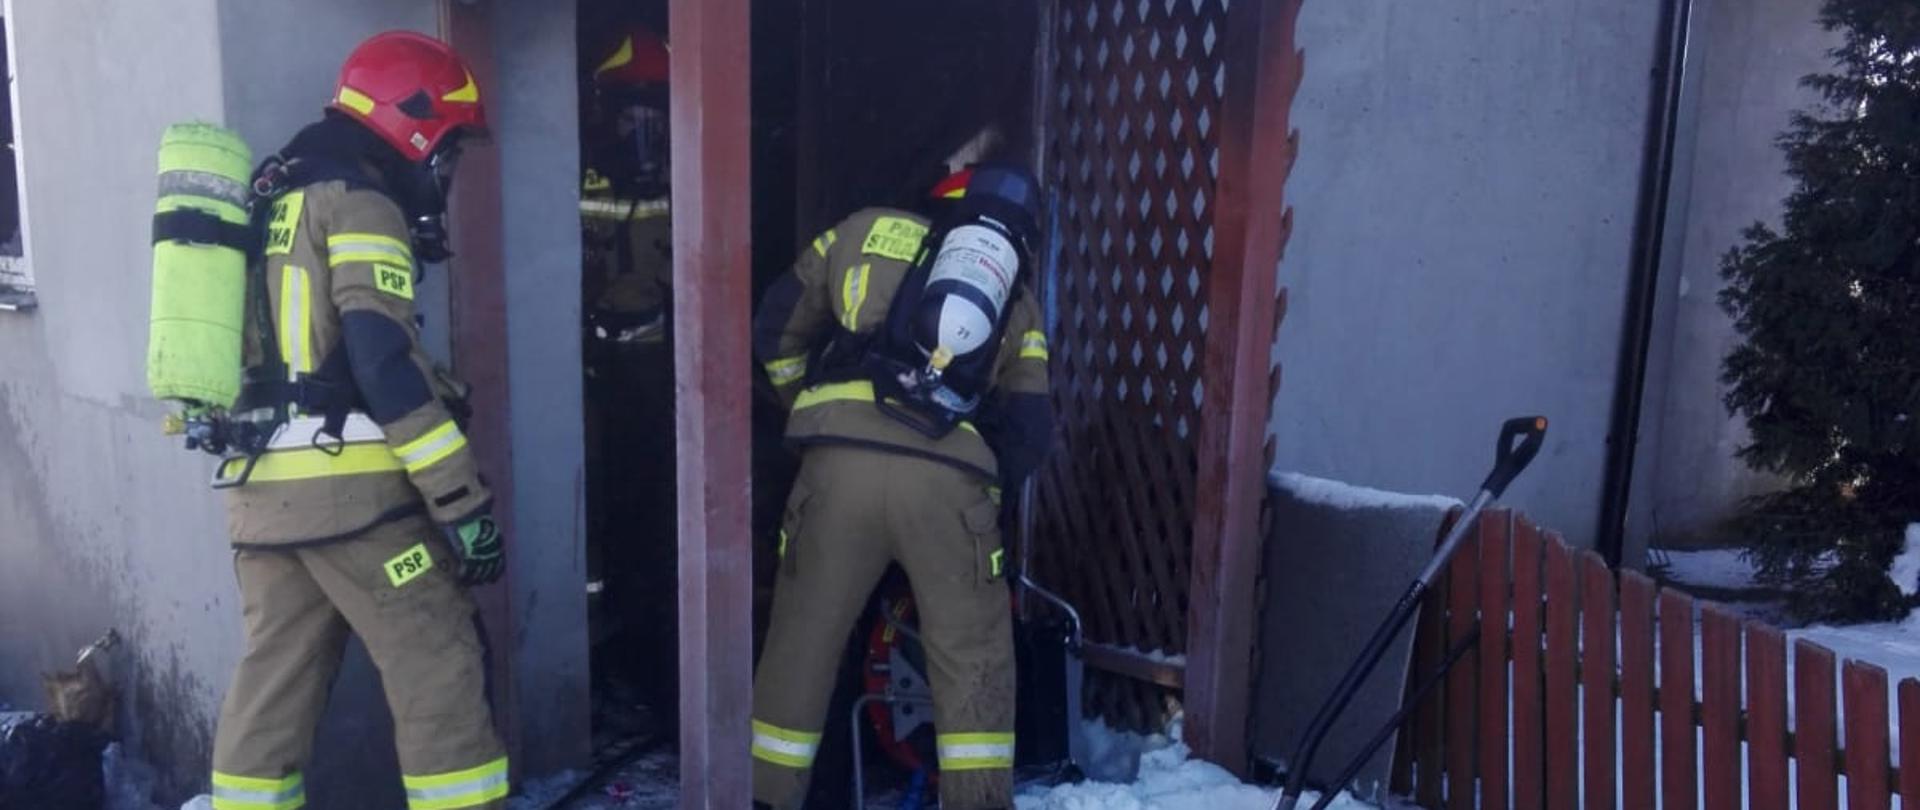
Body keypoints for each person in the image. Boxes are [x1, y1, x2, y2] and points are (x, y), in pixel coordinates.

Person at [207, 31, 509, 810]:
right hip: (356, 502)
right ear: (411, 124)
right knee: (438, 667)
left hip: (260, 498)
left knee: (270, 694)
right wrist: (463, 502)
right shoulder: (362, 201)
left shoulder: (272, 194)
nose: (444, 171)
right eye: (444, 149)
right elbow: (382, 363)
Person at [749, 163, 1054, 810]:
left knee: (799, 646)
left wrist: (807, 408)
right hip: (950, 484)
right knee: (972, 657)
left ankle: (766, 798)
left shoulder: (861, 231)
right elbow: (1030, 429)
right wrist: (979, 500)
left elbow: (776, 327)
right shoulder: (1014, 299)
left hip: (836, 470)